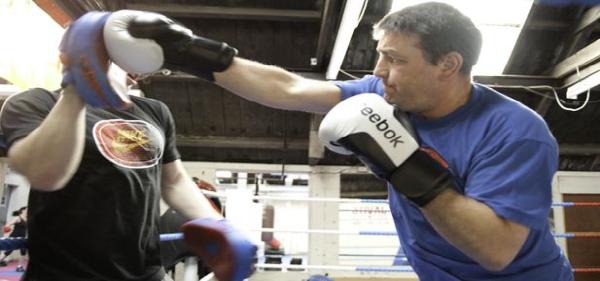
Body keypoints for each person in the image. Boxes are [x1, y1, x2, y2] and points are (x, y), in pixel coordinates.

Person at [106, 2, 574, 280]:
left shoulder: (516, 132)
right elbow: (286, 88)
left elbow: (496, 251)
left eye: (394, 60)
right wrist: (189, 51)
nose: (378, 73)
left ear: (448, 65)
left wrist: (401, 163)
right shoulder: (385, 96)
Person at [0, 12, 255, 281]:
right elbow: (44, 171)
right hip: (64, 272)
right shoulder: (35, 103)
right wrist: (76, 89)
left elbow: (175, 182)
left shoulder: (155, 111)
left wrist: (222, 227)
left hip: (145, 271)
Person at [0, 206, 28, 271]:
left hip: (22, 238)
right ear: (23, 210)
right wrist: (7, 228)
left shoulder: (27, 219)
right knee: (8, 252)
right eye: (27, 209)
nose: (28, 211)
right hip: (14, 237)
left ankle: (19, 266)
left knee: (23, 252)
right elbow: (7, 225)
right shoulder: (17, 218)